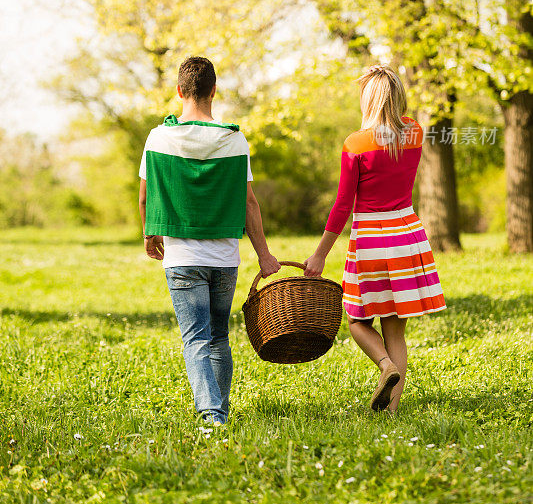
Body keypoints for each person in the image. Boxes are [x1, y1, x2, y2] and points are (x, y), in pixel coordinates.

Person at [139, 56, 280, 424]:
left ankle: (212, 416)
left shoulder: (159, 137)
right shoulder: (234, 139)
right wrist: (264, 255)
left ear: (180, 91)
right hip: (224, 258)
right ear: (214, 91)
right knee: (218, 336)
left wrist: (149, 232)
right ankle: (220, 412)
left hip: (182, 255)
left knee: (196, 339)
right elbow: (249, 202)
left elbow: (145, 195)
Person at [304, 64, 446, 413]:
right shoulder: (415, 133)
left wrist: (320, 254)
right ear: (398, 96)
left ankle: (385, 366)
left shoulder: (356, 143)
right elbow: (401, 124)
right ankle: (392, 412)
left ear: (368, 99)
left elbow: (342, 205)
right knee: (395, 330)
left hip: (370, 237)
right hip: (407, 234)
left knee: (356, 321)